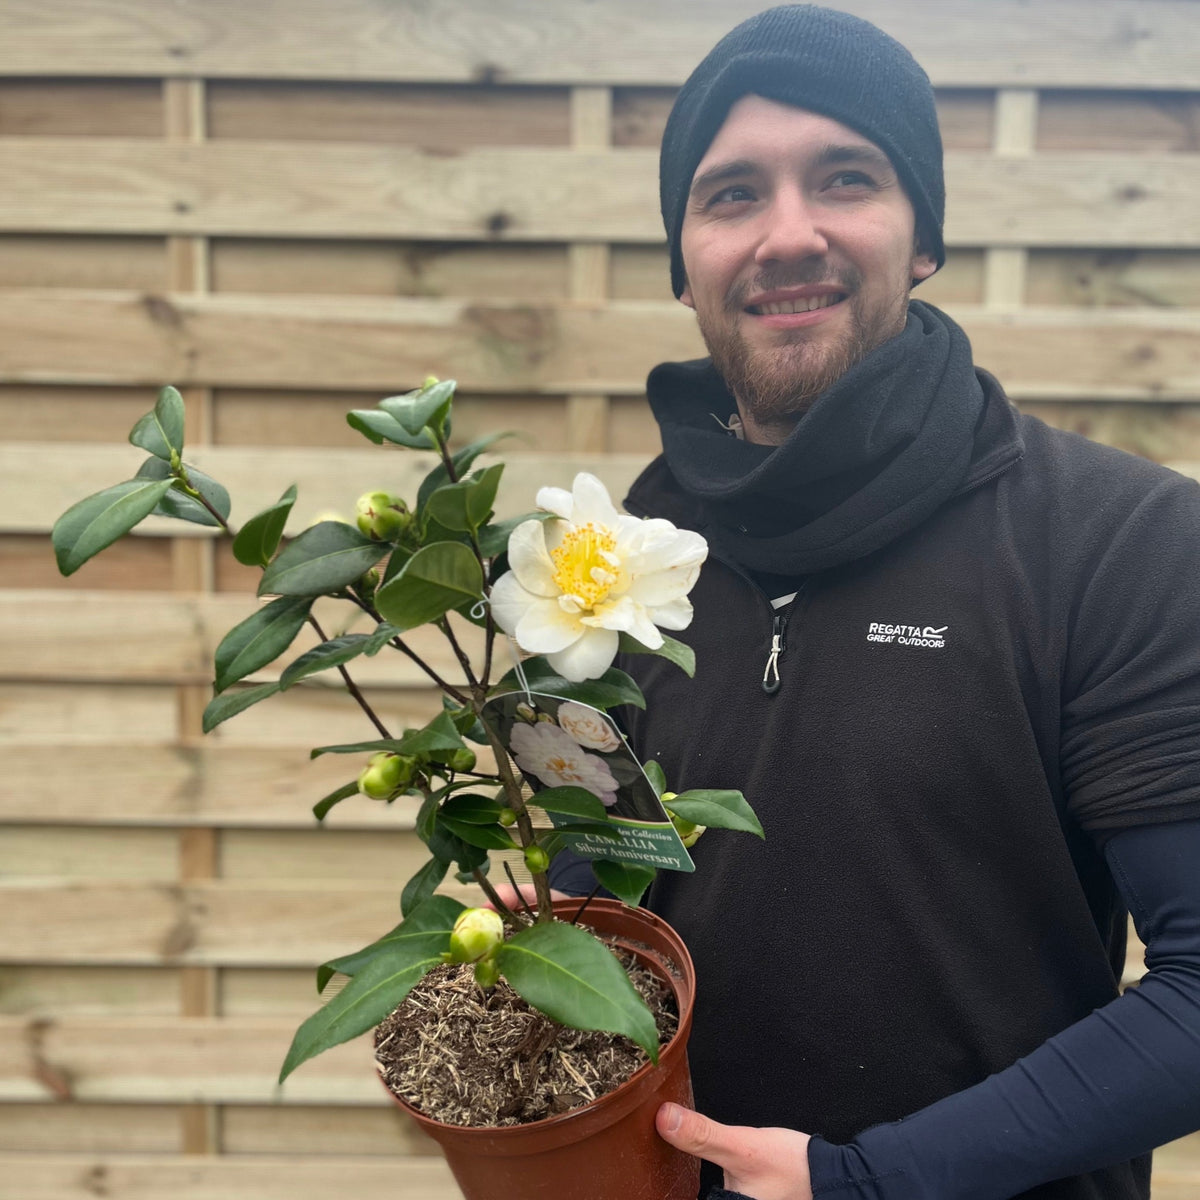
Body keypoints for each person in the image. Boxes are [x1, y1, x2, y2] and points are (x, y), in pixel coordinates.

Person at [530, 6, 1200, 1198]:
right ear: (684, 263)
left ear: (923, 235)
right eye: (732, 195)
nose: (789, 235)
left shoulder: (1119, 541)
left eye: (845, 177)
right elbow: (605, 870)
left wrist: (869, 1182)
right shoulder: (620, 553)